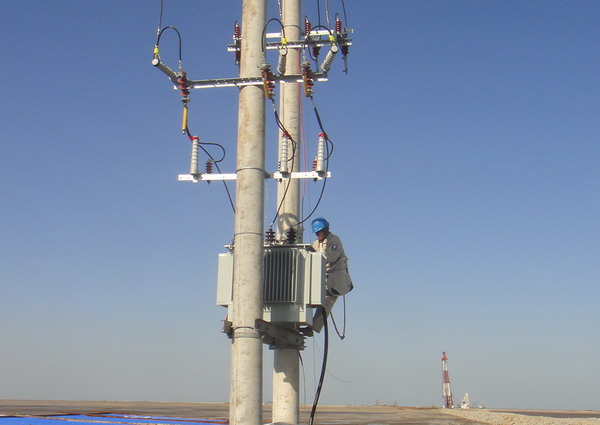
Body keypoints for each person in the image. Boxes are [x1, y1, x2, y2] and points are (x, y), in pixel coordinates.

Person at [310, 217, 353, 332]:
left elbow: (329, 257)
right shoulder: (316, 244)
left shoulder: (334, 241)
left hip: (335, 278)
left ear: (326, 230)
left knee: (327, 301)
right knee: (309, 297)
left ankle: (314, 327)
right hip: (323, 278)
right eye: (316, 233)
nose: (318, 235)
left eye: (319, 232)